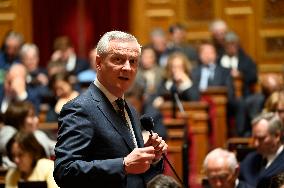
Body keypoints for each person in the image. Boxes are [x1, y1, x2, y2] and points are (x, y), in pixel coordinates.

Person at [53, 31, 168, 188]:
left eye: (133, 61)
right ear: (98, 63)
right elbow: (64, 171)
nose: (127, 67)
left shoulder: (131, 110)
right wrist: (123, 165)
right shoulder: (80, 108)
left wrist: (150, 157)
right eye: (118, 59)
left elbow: (135, 173)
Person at [239, 112, 284, 188]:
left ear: (277, 136)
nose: (256, 144)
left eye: (261, 139)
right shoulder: (249, 160)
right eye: (254, 138)